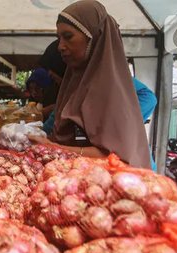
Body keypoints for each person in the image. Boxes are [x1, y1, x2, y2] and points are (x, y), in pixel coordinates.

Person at [31, 0, 151, 169]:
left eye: (68, 36)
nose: (60, 47)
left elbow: (117, 159)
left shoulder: (111, 89)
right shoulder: (75, 83)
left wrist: (55, 148)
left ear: (93, 37)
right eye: (59, 38)